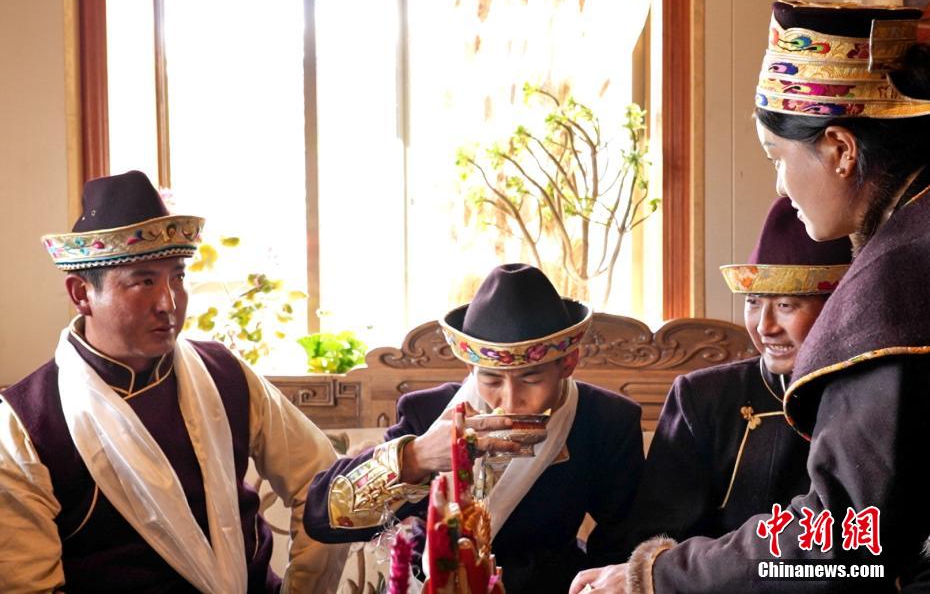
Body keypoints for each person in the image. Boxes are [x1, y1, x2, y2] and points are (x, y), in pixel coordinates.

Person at [570, 0, 930, 593]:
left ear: (841, 149)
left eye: (777, 158)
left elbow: (842, 538)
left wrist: (656, 575)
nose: (780, 187)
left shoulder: (894, 283)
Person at [0, 171, 345, 593]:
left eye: (177, 277)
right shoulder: (26, 425)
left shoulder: (224, 373)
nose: (168, 303)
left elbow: (323, 478)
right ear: (81, 294)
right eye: (144, 281)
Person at [304, 263, 644, 593]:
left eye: (531, 379)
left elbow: (623, 546)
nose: (510, 399)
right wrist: (417, 456)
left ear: (568, 362)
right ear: (471, 368)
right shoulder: (429, 412)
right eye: (492, 380)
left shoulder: (606, 420)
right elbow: (321, 518)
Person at [614, 197, 851, 560]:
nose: (765, 326)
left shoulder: (873, 397)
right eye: (753, 302)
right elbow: (655, 541)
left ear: (838, 308)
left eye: (785, 305)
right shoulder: (703, 397)